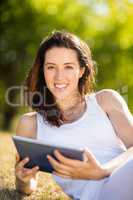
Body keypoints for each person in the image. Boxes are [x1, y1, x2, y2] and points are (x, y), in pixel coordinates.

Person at [15, 30, 133, 200]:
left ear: (81, 70)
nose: (59, 76)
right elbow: (27, 186)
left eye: (68, 66)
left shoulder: (106, 100)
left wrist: (102, 170)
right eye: (51, 67)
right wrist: (22, 180)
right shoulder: (30, 124)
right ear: (42, 71)